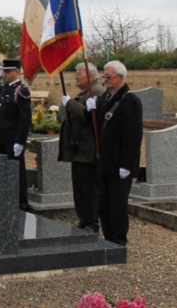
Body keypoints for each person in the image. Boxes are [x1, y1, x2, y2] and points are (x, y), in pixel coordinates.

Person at [86, 60, 143, 245]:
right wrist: (90, 110)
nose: (106, 80)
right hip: (104, 160)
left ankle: (118, 239)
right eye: (104, 76)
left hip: (120, 163)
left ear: (120, 77)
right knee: (104, 203)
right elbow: (96, 126)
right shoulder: (105, 98)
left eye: (108, 77)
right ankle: (108, 236)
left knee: (117, 204)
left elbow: (133, 136)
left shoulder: (130, 100)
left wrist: (127, 164)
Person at [58, 63, 106, 233]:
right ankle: (84, 219)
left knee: (88, 188)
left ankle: (92, 222)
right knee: (79, 188)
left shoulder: (97, 92)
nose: (76, 77)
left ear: (91, 76)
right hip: (78, 149)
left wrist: (70, 104)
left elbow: (88, 117)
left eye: (79, 74)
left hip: (88, 149)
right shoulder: (85, 93)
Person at [0, 58, 32, 211]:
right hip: (2, 137)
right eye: (4, 71)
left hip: (13, 138)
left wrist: (20, 141)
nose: (5, 74)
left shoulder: (21, 91)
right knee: (4, 170)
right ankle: (7, 198)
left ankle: (21, 203)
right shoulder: (6, 89)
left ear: (17, 72)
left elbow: (25, 119)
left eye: (8, 71)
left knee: (17, 172)